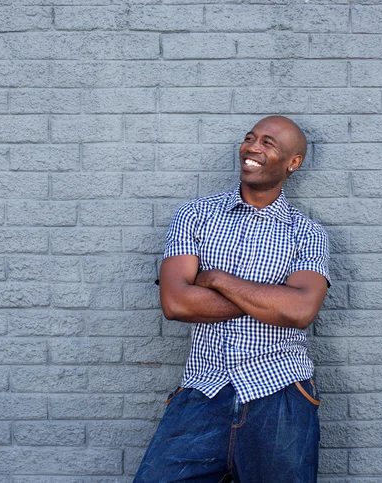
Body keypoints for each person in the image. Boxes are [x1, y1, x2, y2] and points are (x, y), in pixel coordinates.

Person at [133, 115, 331, 483]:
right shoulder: (195, 215)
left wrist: (218, 281)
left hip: (281, 393)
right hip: (202, 390)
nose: (252, 147)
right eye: (250, 138)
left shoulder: (307, 234)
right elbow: (176, 303)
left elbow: (302, 311)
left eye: (268, 143)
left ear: (294, 162)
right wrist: (274, 300)